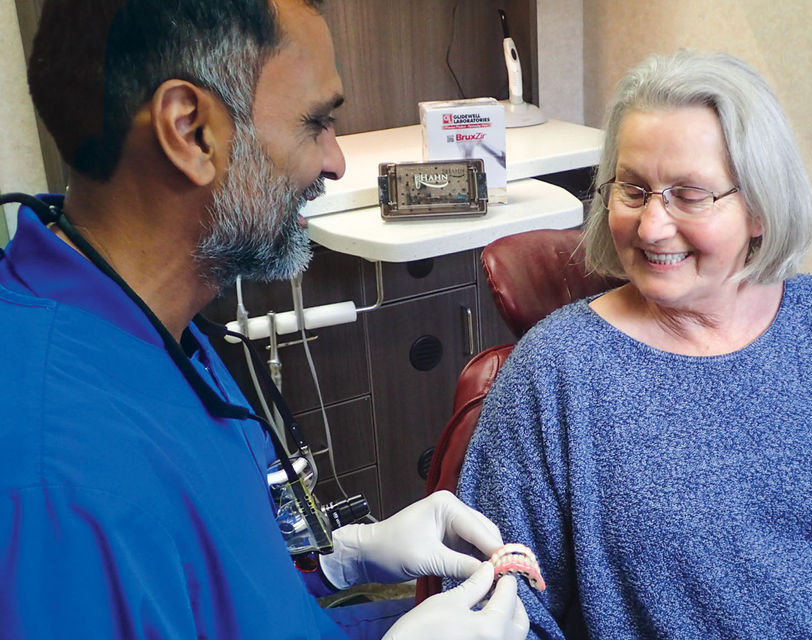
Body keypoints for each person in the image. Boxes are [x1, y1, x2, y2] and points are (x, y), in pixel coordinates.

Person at [0, 1, 527, 638]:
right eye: (316, 123)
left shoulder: (153, 328)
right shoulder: (54, 485)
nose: (335, 161)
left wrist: (332, 562)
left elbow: (209, 587)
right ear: (191, 131)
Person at [454, 51, 812, 639]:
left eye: (689, 194)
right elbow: (498, 608)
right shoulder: (557, 372)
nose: (652, 226)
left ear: (759, 207)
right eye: (633, 189)